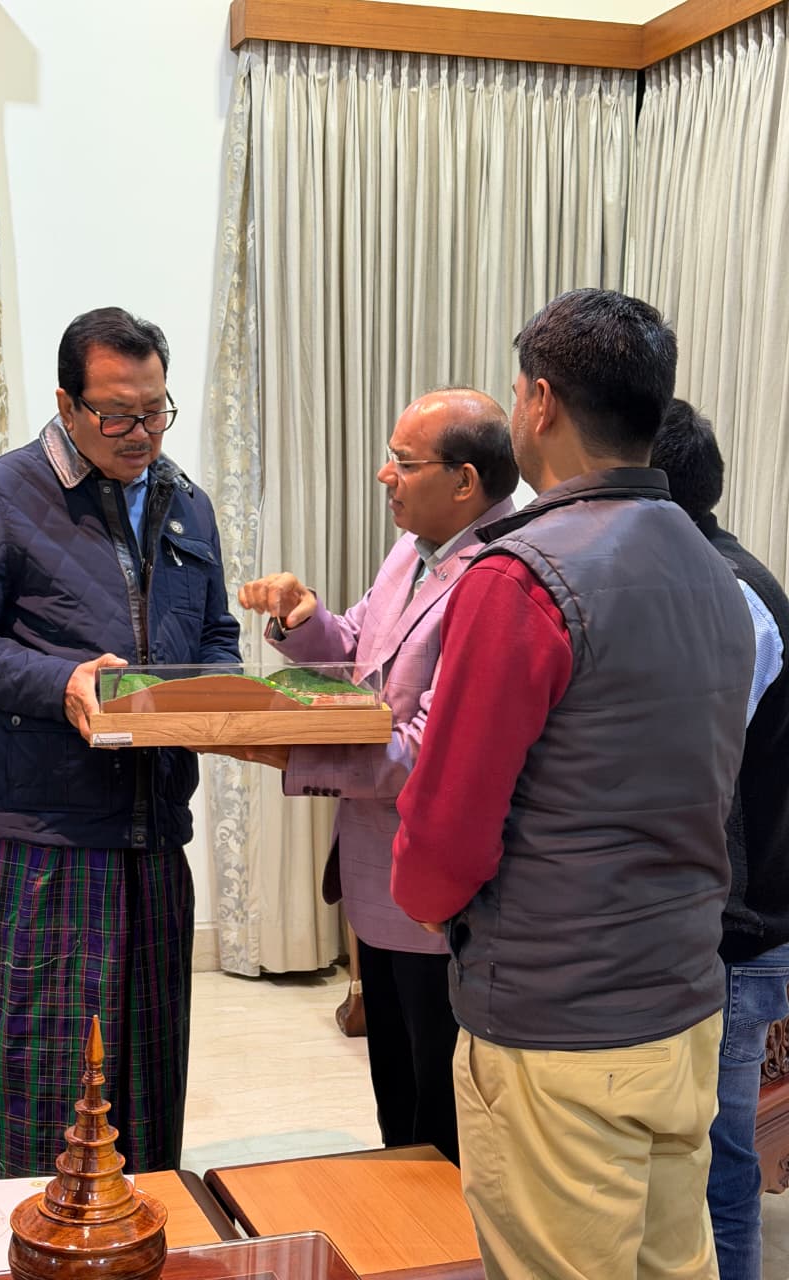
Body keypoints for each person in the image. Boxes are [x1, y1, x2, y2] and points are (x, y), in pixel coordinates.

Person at [390, 289, 756, 1280]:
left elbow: (446, 831)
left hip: (558, 1022)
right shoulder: (715, 574)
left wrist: (426, 903)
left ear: (541, 402)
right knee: (674, 1262)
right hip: (684, 1002)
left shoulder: (521, 577)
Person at [0, 306, 240, 1178]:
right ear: (67, 404)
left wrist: (220, 698)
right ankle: (18, 1239)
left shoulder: (187, 503)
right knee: (39, 1089)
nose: (142, 434)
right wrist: (62, 684)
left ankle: (143, 1231)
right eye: (118, 415)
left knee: (146, 1086)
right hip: (47, 839)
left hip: (154, 832)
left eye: (156, 411)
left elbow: (216, 635)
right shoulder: (3, 492)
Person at [236, 388, 518, 1164]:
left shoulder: (498, 574)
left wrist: (295, 757)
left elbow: (432, 750)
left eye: (403, 462)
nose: (385, 475)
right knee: (396, 1095)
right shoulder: (414, 547)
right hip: (378, 876)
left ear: (464, 481)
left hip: (440, 891)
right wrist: (303, 619)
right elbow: (357, 650)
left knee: (440, 1117)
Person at [651, 400, 789, 1280]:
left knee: (717, 1155)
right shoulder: (709, 574)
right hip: (727, 917)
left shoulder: (726, 593)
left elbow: (689, 768)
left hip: (738, 927)